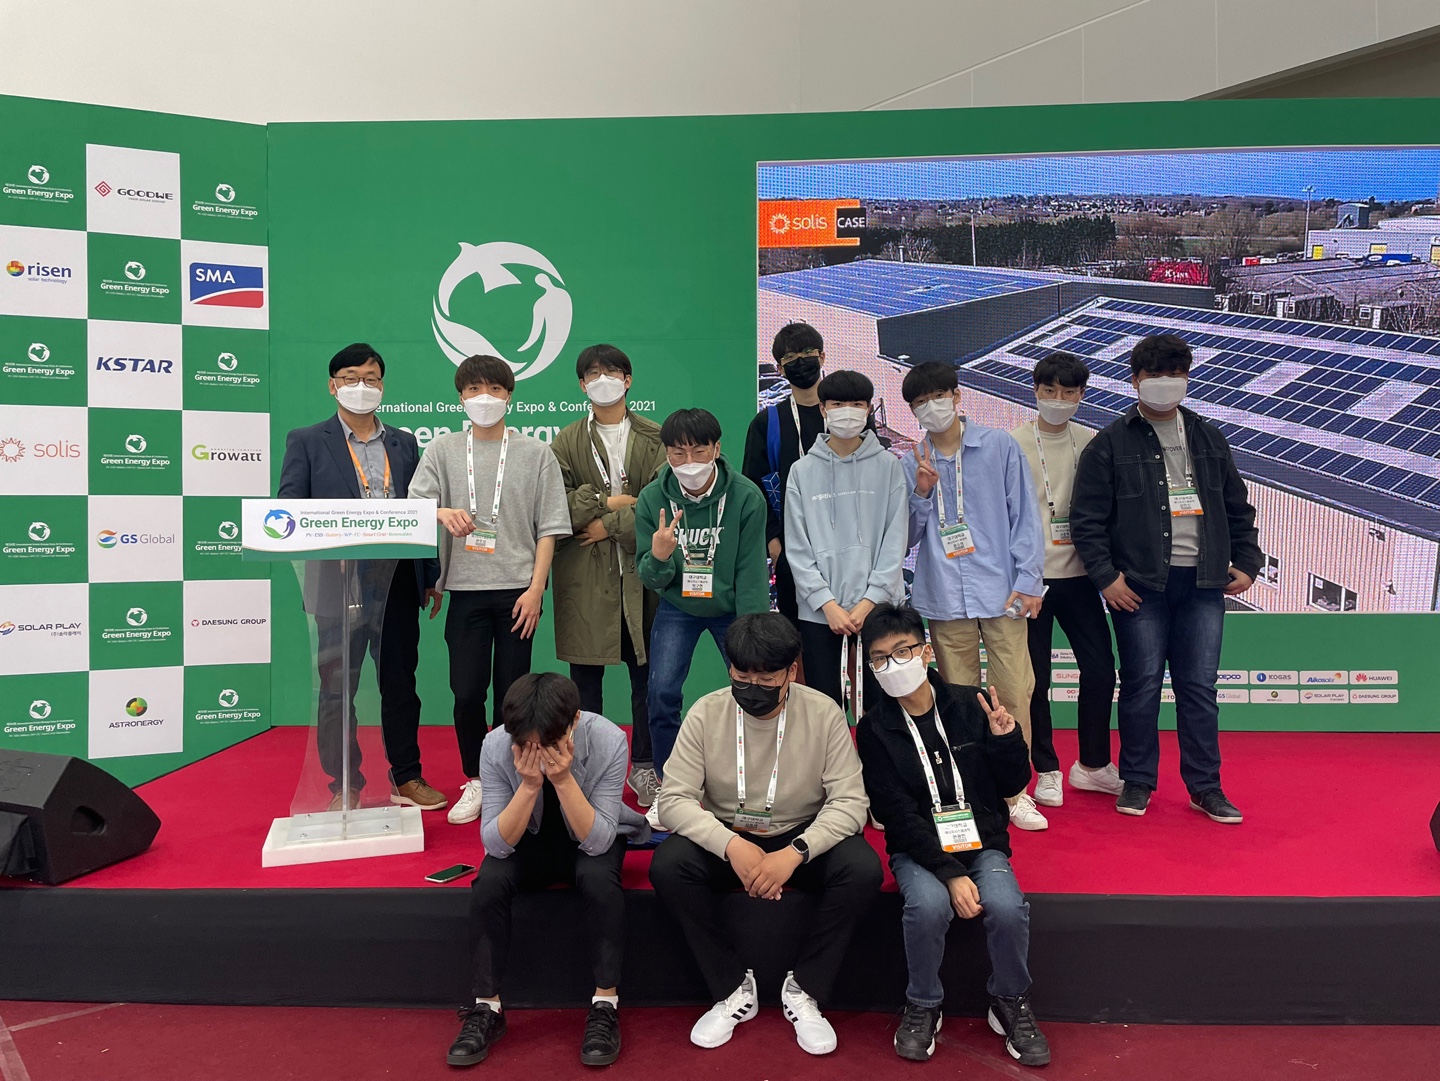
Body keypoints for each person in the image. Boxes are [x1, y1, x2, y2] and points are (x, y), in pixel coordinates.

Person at [649, 612, 880, 1055]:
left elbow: (851, 803)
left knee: (862, 868)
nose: (752, 687)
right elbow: (674, 800)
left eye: (766, 678)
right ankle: (732, 987)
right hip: (729, 834)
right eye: (742, 677)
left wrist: (795, 852)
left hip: (800, 833)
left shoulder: (823, 712)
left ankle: (805, 989)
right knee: (669, 864)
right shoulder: (706, 713)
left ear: (791, 671)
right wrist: (730, 845)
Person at [1070, 333, 1260, 823]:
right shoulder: (1110, 443)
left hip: (1204, 584)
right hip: (1139, 587)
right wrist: (1106, 578)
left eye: (1175, 375)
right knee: (1141, 686)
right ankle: (1138, 781)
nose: (1165, 383)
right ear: (1135, 380)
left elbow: (1237, 508)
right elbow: (1086, 520)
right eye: (1155, 375)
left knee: (1199, 689)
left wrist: (1248, 561)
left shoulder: (1208, 437)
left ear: (1187, 379)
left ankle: (1206, 787)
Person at [855, 603, 1049, 1066]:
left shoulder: (970, 704)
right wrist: (948, 872)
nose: (892, 665)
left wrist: (1006, 740)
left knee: (1007, 907)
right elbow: (896, 814)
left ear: (925, 653)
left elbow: (1011, 784)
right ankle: (923, 1002)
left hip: (982, 844)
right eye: (880, 658)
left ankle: (1010, 1000)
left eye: (902, 651)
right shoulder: (874, 729)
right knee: (927, 906)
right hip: (918, 850)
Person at [447, 672, 650, 1069]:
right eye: (526, 744)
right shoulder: (496, 745)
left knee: (598, 878)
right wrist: (528, 786)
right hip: (529, 838)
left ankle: (605, 1004)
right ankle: (487, 1007)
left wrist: (561, 778)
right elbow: (495, 844)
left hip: (589, 833)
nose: (537, 752)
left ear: (574, 721)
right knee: (489, 882)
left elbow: (598, 840)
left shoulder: (608, 739)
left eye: (550, 743)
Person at [277, 343, 444, 813]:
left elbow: (421, 511)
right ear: (333, 386)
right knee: (337, 690)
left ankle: (406, 777)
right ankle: (344, 783)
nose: (361, 387)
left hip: (396, 583)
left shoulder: (404, 443)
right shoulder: (307, 441)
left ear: (382, 386)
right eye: (351, 378)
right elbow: (289, 508)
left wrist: (430, 575)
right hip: (337, 585)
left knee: (400, 685)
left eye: (371, 379)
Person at [408, 354, 571, 825]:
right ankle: (476, 778)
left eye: (495, 390)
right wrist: (441, 512)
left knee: (512, 695)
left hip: (519, 592)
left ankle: (509, 776)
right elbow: (414, 506)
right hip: (465, 590)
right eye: (475, 390)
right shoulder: (441, 450)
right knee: (465, 692)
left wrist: (537, 590)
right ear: (460, 397)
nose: (485, 398)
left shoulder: (536, 453)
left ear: (510, 396)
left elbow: (550, 528)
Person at [899, 361, 1048, 832]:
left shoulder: (999, 446)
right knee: (959, 697)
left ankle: (1015, 791)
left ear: (957, 396)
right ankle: (973, 790)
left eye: (937, 397)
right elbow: (904, 538)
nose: (931, 408)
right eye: (920, 403)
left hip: (1002, 589)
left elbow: (1024, 517)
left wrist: (1030, 579)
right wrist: (921, 494)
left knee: (1015, 690)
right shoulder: (911, 460)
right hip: (943, 594)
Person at [635, 408, 770, 824]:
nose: (689, 462)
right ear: (666, 454)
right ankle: (670, 786)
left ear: (716, 448)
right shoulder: (653, 499)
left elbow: (751, 571)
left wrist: (754, 634)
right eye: (678, 453)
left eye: (698, 451)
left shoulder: (746, 496)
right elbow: (650, 577)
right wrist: (660, 556)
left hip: (731, 608)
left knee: (756, 691)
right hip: (679, 606)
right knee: (661, 694)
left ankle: (758, 785)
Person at [550, 344, 667, 809]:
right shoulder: (566, 440)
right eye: (593, 374)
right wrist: (612, 502)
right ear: (582, 385)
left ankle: (645, 766)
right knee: (585, 681)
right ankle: (588, 768)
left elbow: (661, 504)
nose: (604, 380)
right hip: (585, 573)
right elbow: (557, 508)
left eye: (612, 372)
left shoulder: (656, 436)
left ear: (628, 379)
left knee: (648, 679)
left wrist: (604, 523)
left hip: (643, 574)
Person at [1009, 352, 1120, 809]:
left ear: (1081, 395)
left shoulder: (1092, 442)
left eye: (1068, 392)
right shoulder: (1012, 443)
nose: (1058, 399)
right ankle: (1047, 769)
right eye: (1050, 391)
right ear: (1036, 391)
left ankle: (1092, 765)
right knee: (1035, 680)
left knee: (1101, 669)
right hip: (1030, 581)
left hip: (1080, 577)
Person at [784, 369, 907, 715]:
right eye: (838, 404)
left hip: (879, 608)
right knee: (825, 707)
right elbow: (797, 547)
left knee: (884, 707)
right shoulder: (801, 471)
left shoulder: (889, 466)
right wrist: (827, 604)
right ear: (823, 409)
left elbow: (895, 540)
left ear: (868, 409)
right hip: (821, 612)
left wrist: (870, 602)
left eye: (857, 404)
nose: (847, 411)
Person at [743, 323, 828, 629]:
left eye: (808, 353)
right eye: (790, 358)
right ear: (779, 368)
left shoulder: (848, 416)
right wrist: (773, 541)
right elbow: (754, 488)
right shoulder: (768, 423)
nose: (800, 361)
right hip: (792, 549)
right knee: (800, 637)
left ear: (822, 356)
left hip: (846, 545)